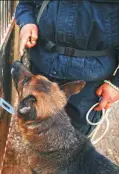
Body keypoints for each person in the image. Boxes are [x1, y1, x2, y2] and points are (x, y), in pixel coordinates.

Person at [15, 0, 119, 135]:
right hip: (42, 66)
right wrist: (27, 21)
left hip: (88, 83)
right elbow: (27, 3)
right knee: (32, 128)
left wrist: (116, 85)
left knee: (72, 141)